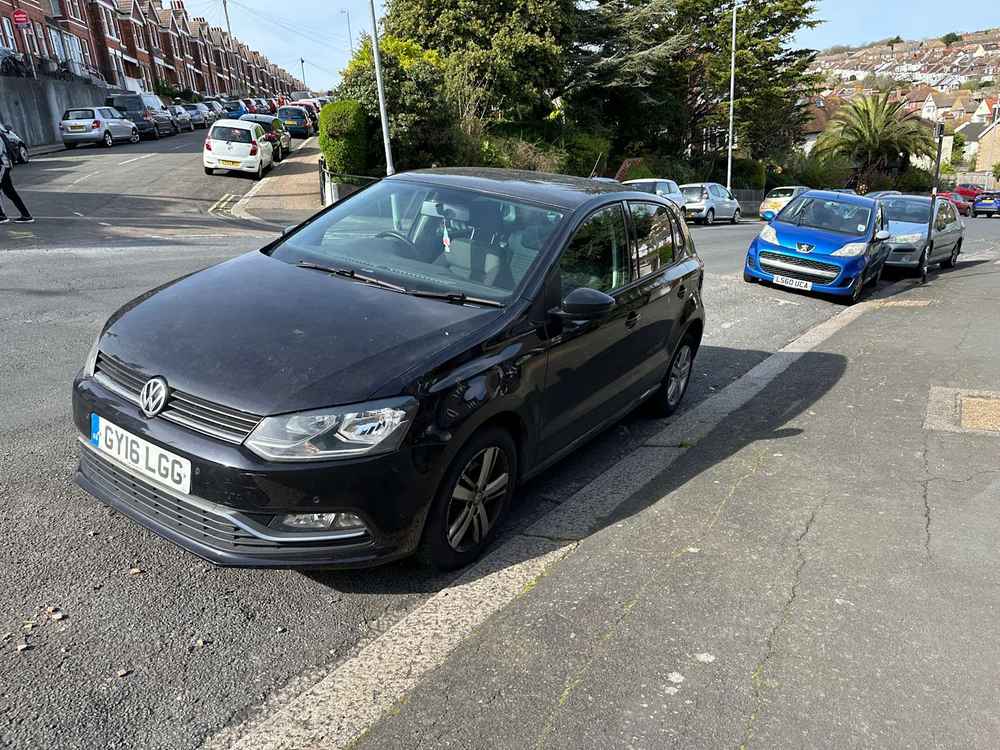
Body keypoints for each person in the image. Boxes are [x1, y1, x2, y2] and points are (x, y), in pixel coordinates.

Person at [0, 128, 32, 224]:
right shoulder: (2, 134)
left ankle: (2, 216)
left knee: (9, 192)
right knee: (10, 192)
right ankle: (26, 215)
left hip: (1, 166)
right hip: (4, 166)